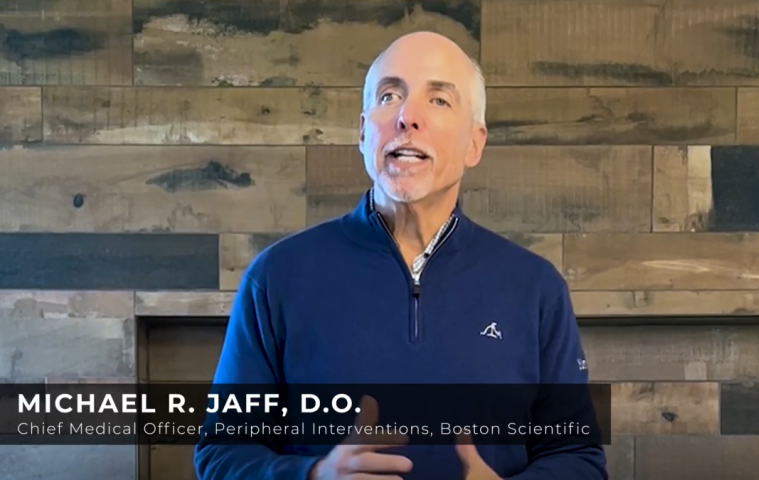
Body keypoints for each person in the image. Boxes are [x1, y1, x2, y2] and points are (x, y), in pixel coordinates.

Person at [193, 31, 607, 480]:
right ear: (363, 131)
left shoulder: (536, 288)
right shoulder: (277, 278)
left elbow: (578, 457)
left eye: (439, 100)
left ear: (474, 143)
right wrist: (312, 475)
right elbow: (222, 453)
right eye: (389, 96)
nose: (408, 117)